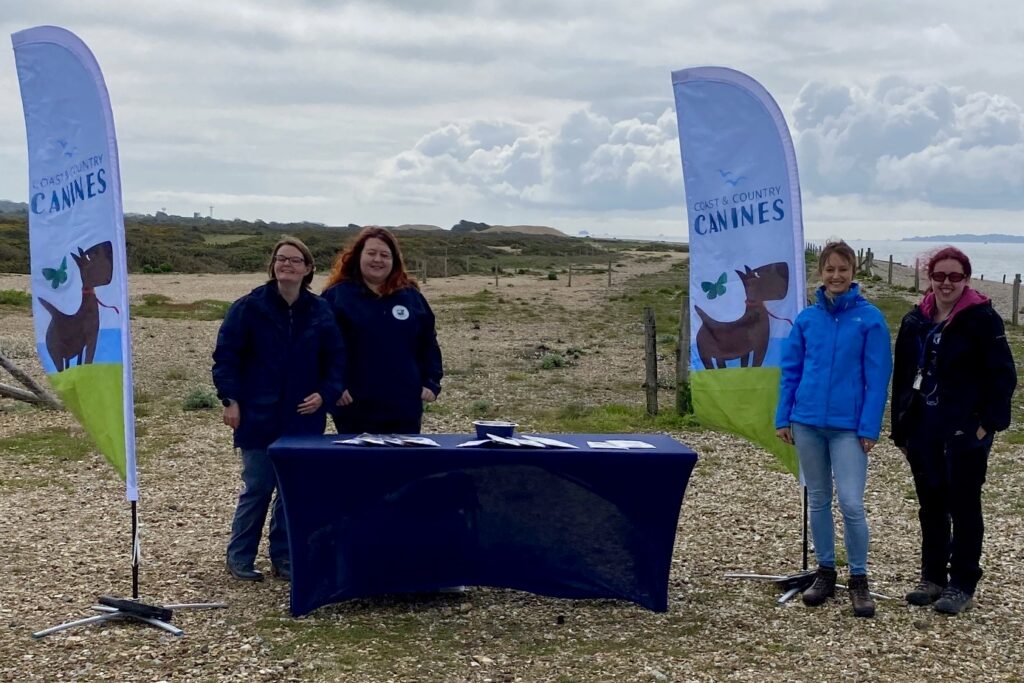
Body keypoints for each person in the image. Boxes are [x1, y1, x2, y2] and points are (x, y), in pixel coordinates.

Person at [891, 246, 1016, 615]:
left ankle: (962, 581)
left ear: (966, 279)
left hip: (965, 431)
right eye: (940, 276)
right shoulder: (916, 319)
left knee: (963, 504)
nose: (947, 283)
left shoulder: (982, 319)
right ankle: (931, 577)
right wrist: (901, 426)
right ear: (930, 278)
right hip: (924, 427)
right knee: (931, 505)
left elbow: (1003, 376)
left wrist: (986, 425)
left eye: (955, 276)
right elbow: (902, 376)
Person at [212, 236, 345, 582]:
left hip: (303, 417)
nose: (286, 265)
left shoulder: (320, 311)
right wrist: (231, 400)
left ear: (308, 268)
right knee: (258, 487)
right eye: (281, 259)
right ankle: (239, 557)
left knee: (292, 490)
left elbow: (336, 360)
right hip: (257, 415)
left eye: (295, 260)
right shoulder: (249, 307)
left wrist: (325, 395)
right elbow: (226, 357)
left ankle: (284, 557)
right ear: (272, 266)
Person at [775, 240, 892, 618]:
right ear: (820, 273)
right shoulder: (807, 319)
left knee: (852, 503)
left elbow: (878, 379)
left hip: (848, 428)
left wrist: (869, 427)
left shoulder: (870, 318)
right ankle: (825, 572)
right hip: (806, 422)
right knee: (819, 498)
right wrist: (783, 416)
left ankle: (859, 579)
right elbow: (790, 371)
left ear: (853, 272)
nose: (836, 276)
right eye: (830, 269)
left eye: (843, 269)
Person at [322, 226, 442, 434]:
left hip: (404, 405)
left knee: (401, 465)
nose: (378, 259)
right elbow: (321, 347)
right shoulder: (337, 297)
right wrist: (334, 385)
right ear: (358, 256)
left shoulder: (411, 297)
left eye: (385, 255)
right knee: (361, 466)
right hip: (354, 407)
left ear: (394, 260)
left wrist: (431, 382)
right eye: (371, 253)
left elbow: (428, 342)